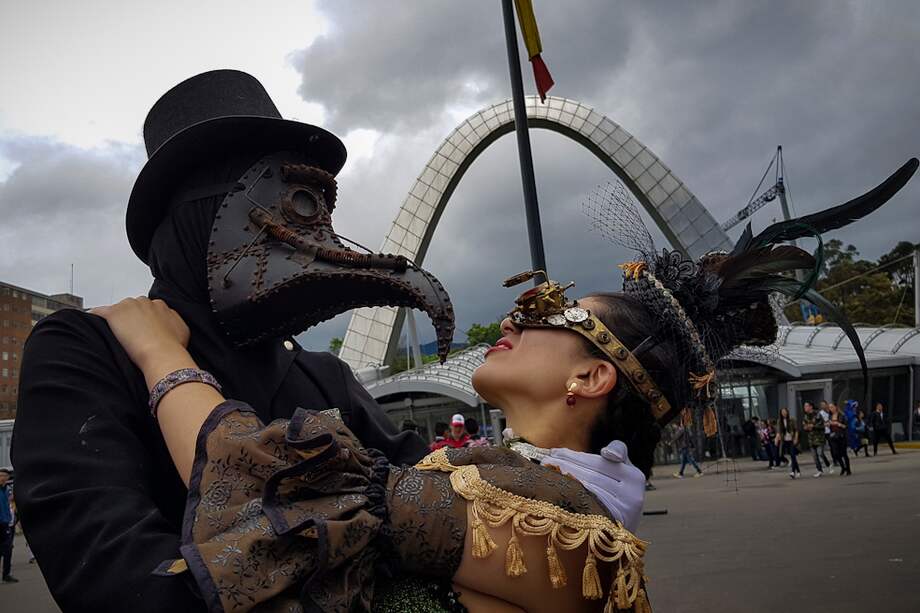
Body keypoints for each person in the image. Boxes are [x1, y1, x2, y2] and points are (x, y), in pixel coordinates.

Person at [85, 152, 912, 611]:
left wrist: (161, 354)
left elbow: (276, 478)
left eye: (553, 309)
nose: (520, 309)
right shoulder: (507, 487)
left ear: (589, 377)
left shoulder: (558, 522)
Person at [11, 70, 455, 611]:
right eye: (296, 202)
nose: (316, 234)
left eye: (321, 207)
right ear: (200, 215)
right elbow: (113, 570)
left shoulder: (324, 374)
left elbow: (448, 507)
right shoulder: (87, 348)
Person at [802, 402, 829, 477]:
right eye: (804, 406)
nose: (805, 407)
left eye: (806, 406)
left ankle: (828, 464)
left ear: (811, 407)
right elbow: (804, 426)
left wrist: (813, 426)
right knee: (814, 456)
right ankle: (819, 470)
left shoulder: (817, 414)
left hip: (819, 438)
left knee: (820, 453)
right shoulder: (805, 416)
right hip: (811, 438)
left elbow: (822, 425)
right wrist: (806, 427)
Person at [0, 468, 16, 584]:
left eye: (5, 475)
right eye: (1, 475)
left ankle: (6, 574)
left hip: (7, 522)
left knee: (8, 549)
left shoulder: (7, 490)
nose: (3, 477)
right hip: (0, 522)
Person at [775, 407, 801, 478]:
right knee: (790, 456)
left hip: (792, 440)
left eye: (785, 411)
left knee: (792, 455)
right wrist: (777, 439)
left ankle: (793, 472)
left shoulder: (792, 420)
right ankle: (798, 471)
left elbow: (796, 430)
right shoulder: (779, 421)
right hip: (785, 440)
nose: (784, 413)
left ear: (787, 412)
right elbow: (778, 431)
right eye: (782, 412)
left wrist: (796, 438)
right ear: (781, 413)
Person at [827, 403, 852, 476]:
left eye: (832, 407)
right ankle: (843, 467)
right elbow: (829, 425)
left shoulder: (842, 415)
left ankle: (848, 469)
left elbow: (846, 426)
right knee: (835, 453)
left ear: (836, 407)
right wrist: (829, 424)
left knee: (844, 453)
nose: (830, 409)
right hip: (833, 436)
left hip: (841, 436)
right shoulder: (830, 416)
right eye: (829, 407)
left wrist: (838, 424)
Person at [818, 401, 836, 466]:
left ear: (826, 405)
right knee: (821, 449)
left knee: (832, 447)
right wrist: (824, 424)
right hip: (823, 432)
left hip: (829, 431)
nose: (823, 406)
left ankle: (835, 461)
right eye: (821, 405)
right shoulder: (820, 413)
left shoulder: (830, 412)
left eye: (824, 405)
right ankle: (826, 462)